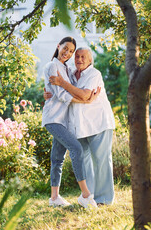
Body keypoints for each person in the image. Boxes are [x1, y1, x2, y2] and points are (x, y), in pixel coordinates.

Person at [46, 47, 115, 205]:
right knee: (84, 161)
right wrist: (48, 92)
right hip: (80, 125)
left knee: (101, 160)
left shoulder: (94, 74)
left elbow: (84, 94)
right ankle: (88, 197)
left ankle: (104, 199)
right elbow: (60, 91)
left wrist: (62, 83)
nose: (80, 59)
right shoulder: (70, 73)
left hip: (99, 123)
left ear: (90, 60)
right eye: (77, 56)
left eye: (84, 57)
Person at [42, 37, 99, 208]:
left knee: (57, 159)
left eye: (71, 51)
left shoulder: (66, 68)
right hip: (53, 119)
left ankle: (54, 198)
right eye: (65, 48)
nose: (67, 53)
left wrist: (85, 95)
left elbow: (70, 88)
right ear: (58, 46)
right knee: (76, 148)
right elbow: (60, 94)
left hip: (63, 121)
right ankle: (85, 194)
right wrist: (85, 101)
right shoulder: (53, 65)